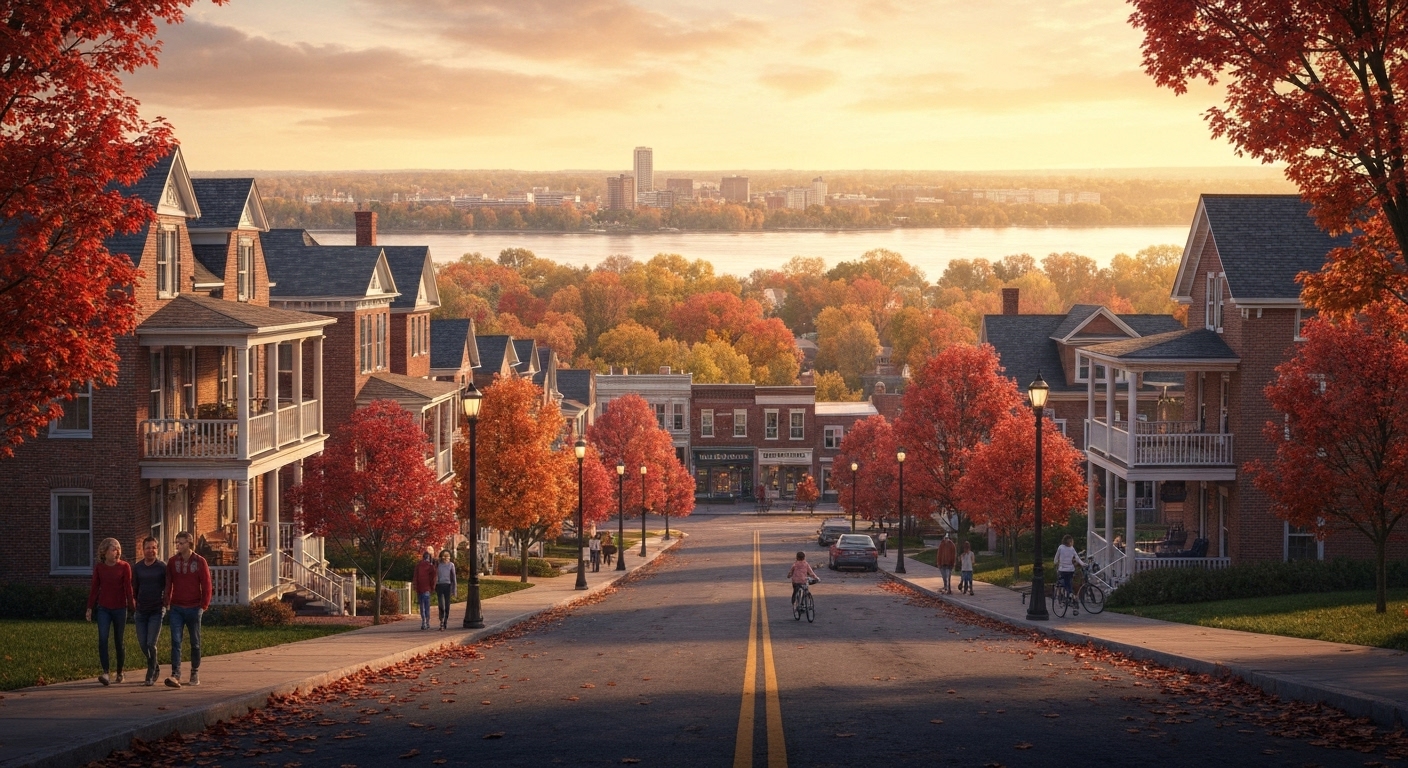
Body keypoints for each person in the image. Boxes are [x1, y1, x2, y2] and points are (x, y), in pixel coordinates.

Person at [164, 531, 210, 688]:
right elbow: (168, 583)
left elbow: (206, 585)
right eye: (176, 542)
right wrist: (167, 601)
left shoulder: (200, 561)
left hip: (194, 607)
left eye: (181, 543)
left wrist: (203, 605)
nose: (178, 545)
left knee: (195, 642)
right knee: (176, 641)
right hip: (176, 607)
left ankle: (194, 671)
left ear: (189, 544)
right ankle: (175, 674)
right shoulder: (172, 562)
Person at [87, 537, 133, 686]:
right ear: (104, 552)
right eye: (114, 549)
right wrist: (89, 607)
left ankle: (119, 672)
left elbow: (128, 587)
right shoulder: (99, 568)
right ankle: (106, 672)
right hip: (104, 608)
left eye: (119, 549)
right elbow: (94, 588)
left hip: (120, 608)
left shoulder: (124, 566)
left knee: (119, 640)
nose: (117, 552)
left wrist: (132, 606)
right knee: (103, 639)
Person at [132, 536, 166, 686]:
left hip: (156, 611)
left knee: (151, 643)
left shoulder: (162, 567)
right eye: (148, 548)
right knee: (143, 644)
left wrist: (165, 602)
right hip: (141, 611)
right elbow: (134, 588)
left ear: (157, 549)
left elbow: (168, 586)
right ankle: (155, 665)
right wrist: (134, 602)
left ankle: (151, 672)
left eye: (154, 548)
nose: (151, 550)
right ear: (143, 549)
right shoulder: (138, 568)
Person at [1054, 534, 1086, 605]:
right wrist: (1083, 564)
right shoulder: (1072, 548)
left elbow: (1056, 558)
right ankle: (1070, 595)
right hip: (1071, 570)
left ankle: (1069, 595)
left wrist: (1056, 563)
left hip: (1062, 569)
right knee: (1069, 582)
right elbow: (1077, 558)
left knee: (1063, 582)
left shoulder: (1060, 547)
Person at [413, 548, 437, 630]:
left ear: (423, 557)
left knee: (422, 606)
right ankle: (427, 622)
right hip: (427, 589)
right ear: (429, 558)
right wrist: (433, 587)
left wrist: (415, 587)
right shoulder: (431, 567)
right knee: (427, 606)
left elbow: (415, 577)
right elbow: (433, 578)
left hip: (420, 588)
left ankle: (423, 622)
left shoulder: (418, 566)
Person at [434, 549, 456, 631]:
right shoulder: (438, 565)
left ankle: (445, 620)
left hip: (448, 586)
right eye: (444, 557)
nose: (445, 559)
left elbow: (454, 578)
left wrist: (454, 590)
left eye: (447, 557)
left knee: (447, 606)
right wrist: (434, 585)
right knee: (441, 605)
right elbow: (435, 575)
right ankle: (442, 621)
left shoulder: (451, 565)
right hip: (439, 586)